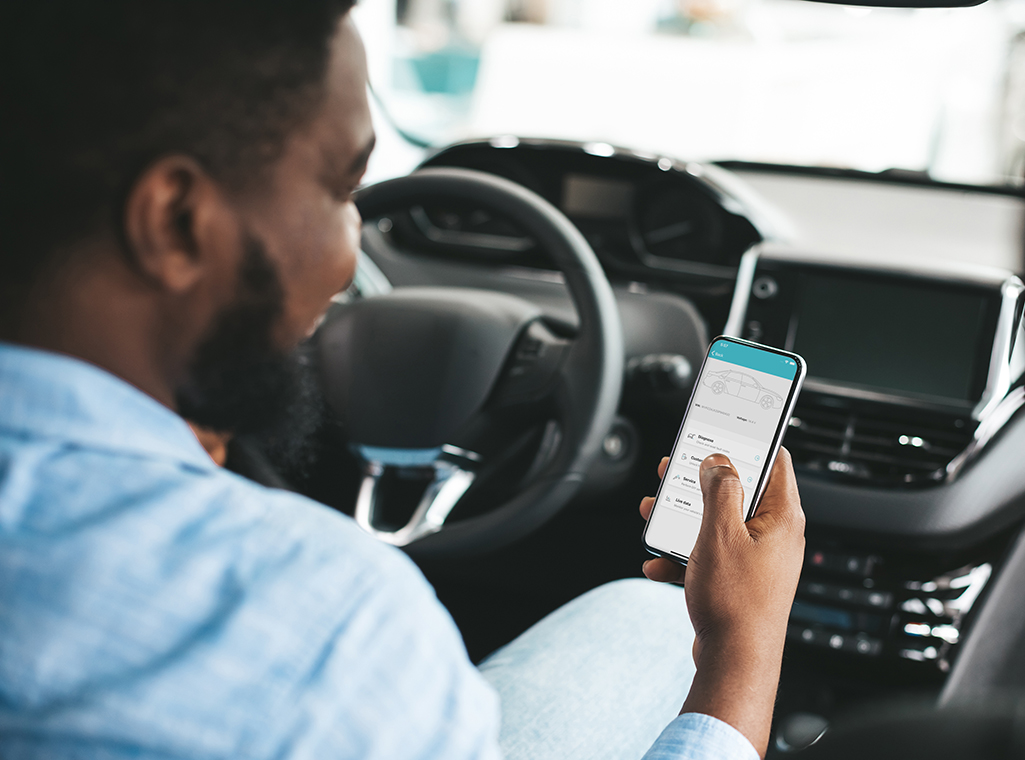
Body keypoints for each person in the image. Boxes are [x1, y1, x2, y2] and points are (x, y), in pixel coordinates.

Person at [0, 2, 806, 758]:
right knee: (654, 619)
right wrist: (742, 656)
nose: (353, 259)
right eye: (343, 192)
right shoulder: (331, 627)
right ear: (176, 221)